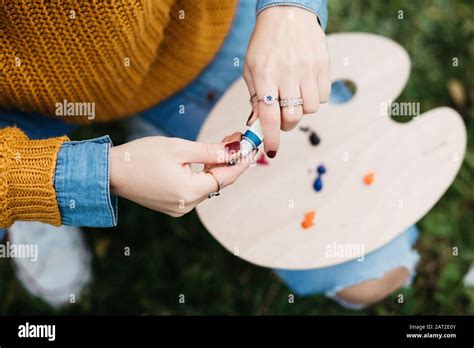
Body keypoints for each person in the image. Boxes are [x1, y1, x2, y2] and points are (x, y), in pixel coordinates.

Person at [0, 0, 418, 309]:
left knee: (371, 271)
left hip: (191, 41)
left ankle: (159, 123)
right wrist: (72, 176)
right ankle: (36, 196)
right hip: (20, 108)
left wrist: (290, 10)